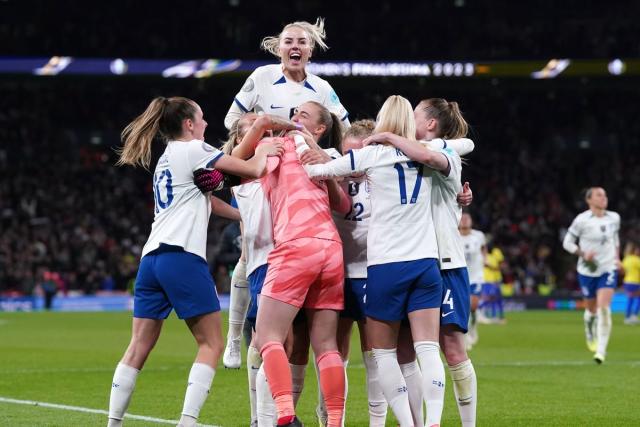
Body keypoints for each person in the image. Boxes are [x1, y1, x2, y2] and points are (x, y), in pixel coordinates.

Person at [106, 96, 282, 427]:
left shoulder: (166, 159)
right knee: (212, 344)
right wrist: (263, 147)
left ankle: (113, 422)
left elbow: (204, 201)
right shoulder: (194, 149)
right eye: (201, 118)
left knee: (137, 349)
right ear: (188, 124)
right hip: (181, 256)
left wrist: (242, 214)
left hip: (151, 261)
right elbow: (254, 169)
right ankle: (188, 422)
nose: (205, 124)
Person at [304, 95, 453, 427]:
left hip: (385, 265)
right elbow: (461, 147)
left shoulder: (370, 155)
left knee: (383, 354)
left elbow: (318, 170)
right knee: (427, 350)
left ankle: (404, 421)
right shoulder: (431, 156)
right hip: (426, 263)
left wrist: (304, 154)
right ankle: (433, 423)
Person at [362, 97, 478, 427]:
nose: (407, 119)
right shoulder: (403, 156)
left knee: (453, 348)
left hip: (444, 261)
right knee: (403, 352)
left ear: (429, 125)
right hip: (408, 259)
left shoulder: (440, 152)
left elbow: (462, 144)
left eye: (414, 115)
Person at [224, 17, 349, 130]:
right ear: (279, 50)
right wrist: (256, 136)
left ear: (310, 51)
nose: (295, 46)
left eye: (302, 42)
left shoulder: (322, 87)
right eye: (288, 42)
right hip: (267, 153)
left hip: (306, 154)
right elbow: (231, 119)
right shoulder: (262, 76)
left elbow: (345, 128)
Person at [563, 187, 621, 364]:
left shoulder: (614, 218)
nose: (604, 198)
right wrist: (582, 254)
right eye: (599, 195)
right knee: (591, 309)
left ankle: (601, 351)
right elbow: (567, 243)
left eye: (605, 194)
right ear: (589, 200)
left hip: (608, 268)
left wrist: (617, 258)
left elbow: (615, 239)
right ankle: (589, 327)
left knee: (604, 309)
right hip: (587, 270)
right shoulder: (582, 220)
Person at [459, 213, 487, 348]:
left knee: (473, 305)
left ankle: (473, 328)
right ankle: (464, 335)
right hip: (460, 275)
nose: (464, 220)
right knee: (463, 307)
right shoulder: (454, 235)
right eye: (462, 218)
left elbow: (484, 248)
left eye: (467, 218)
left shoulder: (479, 235)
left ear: (471, 221)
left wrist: (484, 260)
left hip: (476, 276)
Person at [622, 242, 640, 324]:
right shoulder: (636, 259)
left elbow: (622, 270)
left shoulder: (626, 259)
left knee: (630, 299)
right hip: (635, 282)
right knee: (637, 299)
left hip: (627, 281)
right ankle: (634, 315)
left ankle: (627, 317)